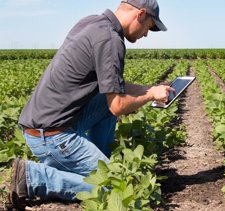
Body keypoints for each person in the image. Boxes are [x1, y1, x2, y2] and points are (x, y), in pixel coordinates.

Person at [8, 0, 174, 208]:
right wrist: (150, 97)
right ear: (140, 14)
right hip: (52, 137)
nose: (146, 34)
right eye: (149, 27)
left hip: (46, 124)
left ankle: (95, 161)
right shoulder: (111, 41)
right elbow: (118, 106)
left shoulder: (92, 23)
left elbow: (113, 89)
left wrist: (149, 88)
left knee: (105, 101)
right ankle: (35, 177)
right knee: (116, 187)